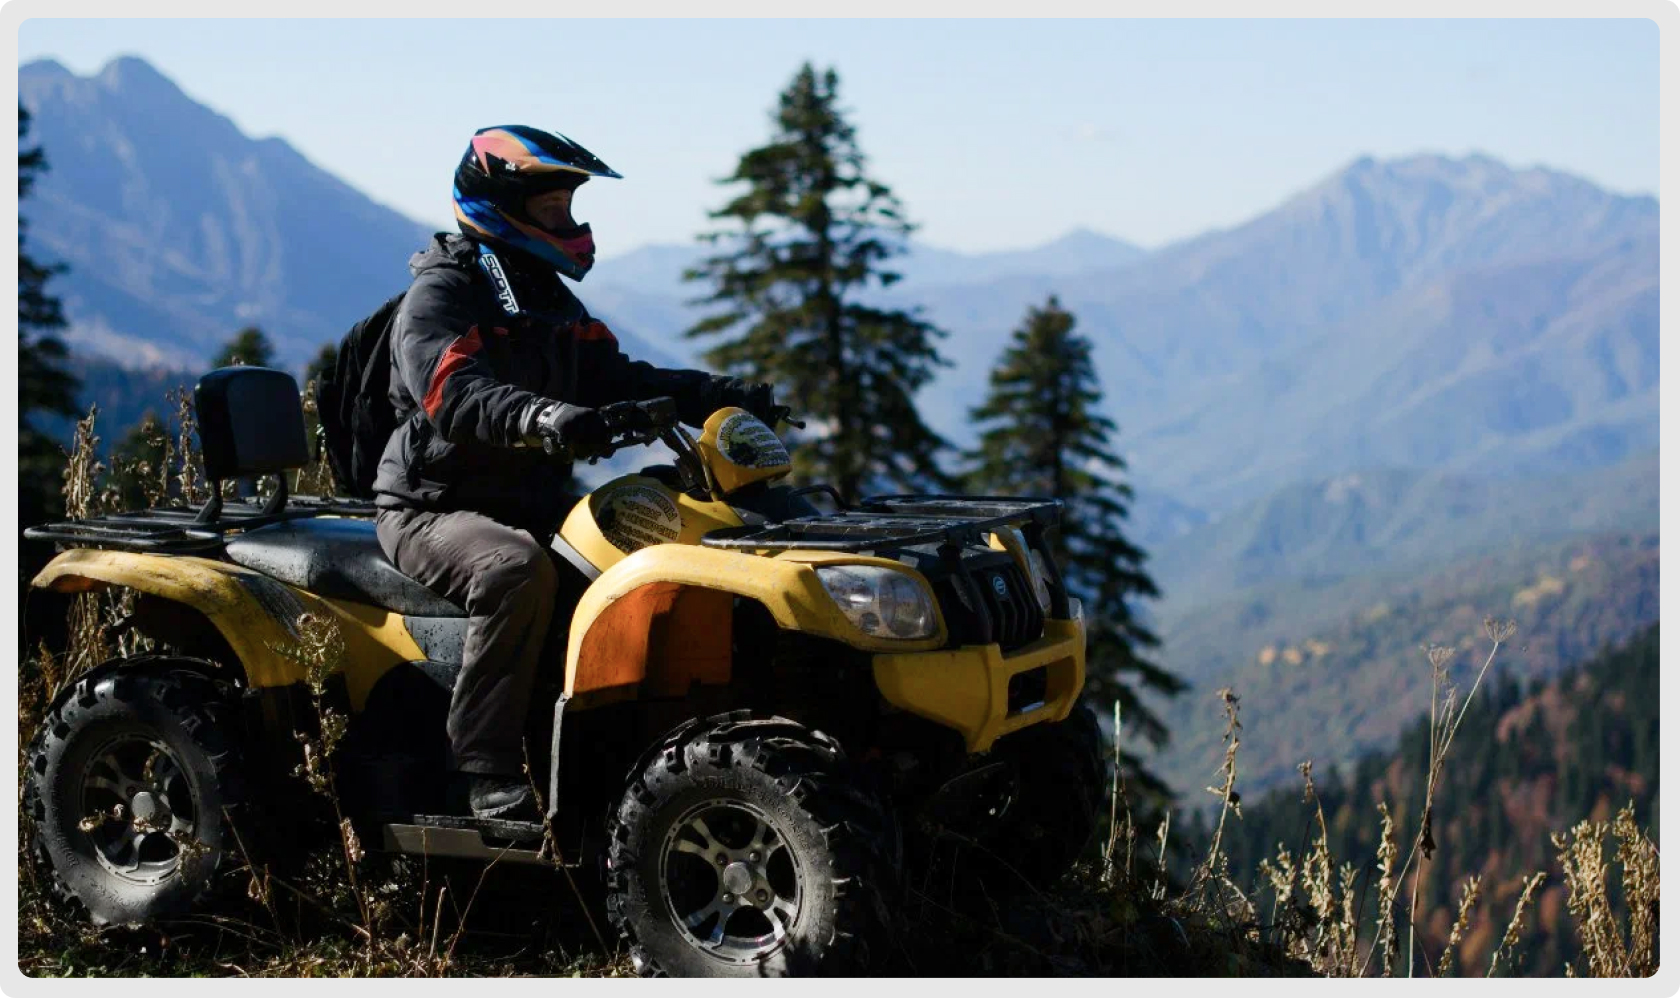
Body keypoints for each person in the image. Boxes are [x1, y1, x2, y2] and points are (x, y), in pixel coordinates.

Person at [372, 125, 778, 821]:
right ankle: (483, 769)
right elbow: (454, 393)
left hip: (534, 497)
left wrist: (714, 392)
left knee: (648, 546)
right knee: (514, 571)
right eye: (552, 208)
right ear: (504, 207)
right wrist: (544, 416)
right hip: (432, 506)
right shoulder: (443, 293)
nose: (568, 222)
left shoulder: (545, 298)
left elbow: (618, 376)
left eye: (568, 207)